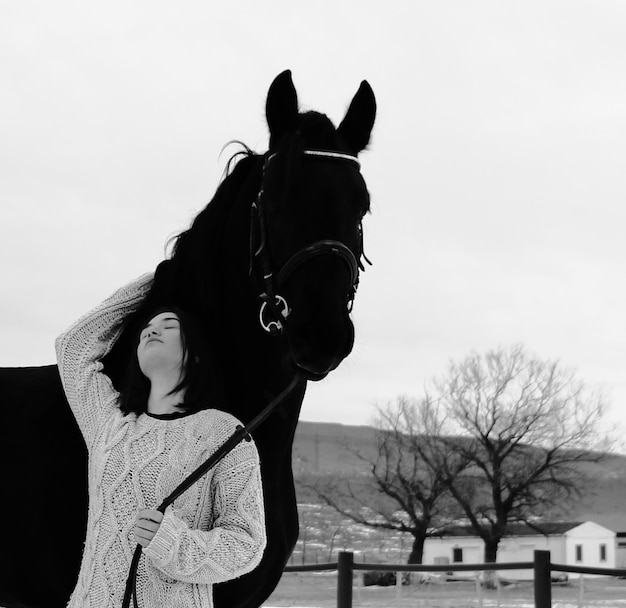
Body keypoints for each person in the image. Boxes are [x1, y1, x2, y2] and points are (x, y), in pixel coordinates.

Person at [55, 272, 266, 608]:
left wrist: (173, 543)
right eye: (145, 331)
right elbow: (72, 347)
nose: (151, 330)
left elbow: (246, 544)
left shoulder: (223, 432)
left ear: (196, 353)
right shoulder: (109, 426)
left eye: (169, 325)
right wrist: (161, 274)